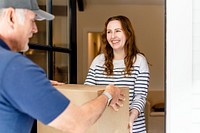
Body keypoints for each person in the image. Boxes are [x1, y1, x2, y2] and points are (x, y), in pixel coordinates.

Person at [0, 0, 125, 133]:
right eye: (32, 20)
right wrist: (109, 94)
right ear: (11, 17)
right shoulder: (17, 67)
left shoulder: (12, 71)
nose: (35, 29)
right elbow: (77, 122)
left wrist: (32, 85)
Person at [84, 15, 150, 133]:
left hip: (132, 128)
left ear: (128, 33)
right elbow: (87, 92)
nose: (113, 36)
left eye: (118, 31)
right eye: (109, 32)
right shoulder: (98, 61)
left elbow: (140, 96)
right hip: (103, 126)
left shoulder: (139, 61)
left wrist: (130, 119)